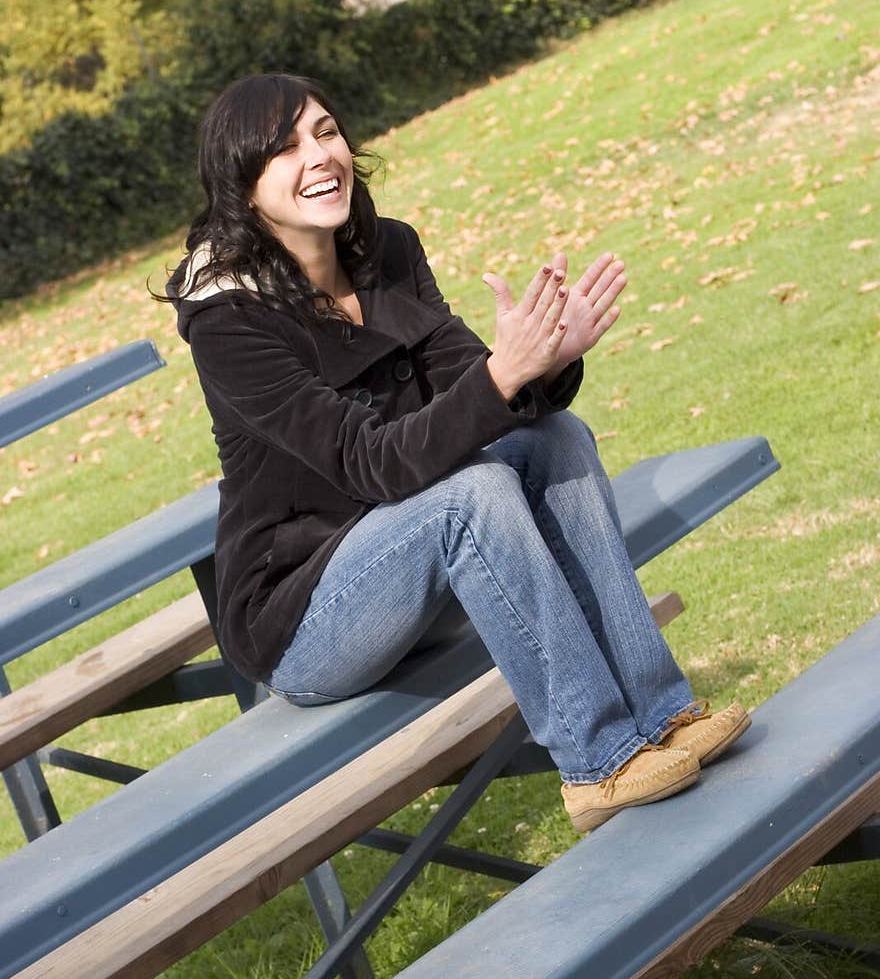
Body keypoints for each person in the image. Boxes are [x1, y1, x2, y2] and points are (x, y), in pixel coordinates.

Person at [166, 72, 750, 834]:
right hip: (308, 617)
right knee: (468, 498)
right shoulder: (229, 322)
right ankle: (598, 761)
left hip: (428, 573)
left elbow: (472, 392)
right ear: (243, 190)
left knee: (555, 438)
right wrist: (500, 377)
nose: (319, 156)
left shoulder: (387, 249)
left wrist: (541, 363)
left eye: (326, 132)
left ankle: (659, 713)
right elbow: (371, 463)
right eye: (284, 150)